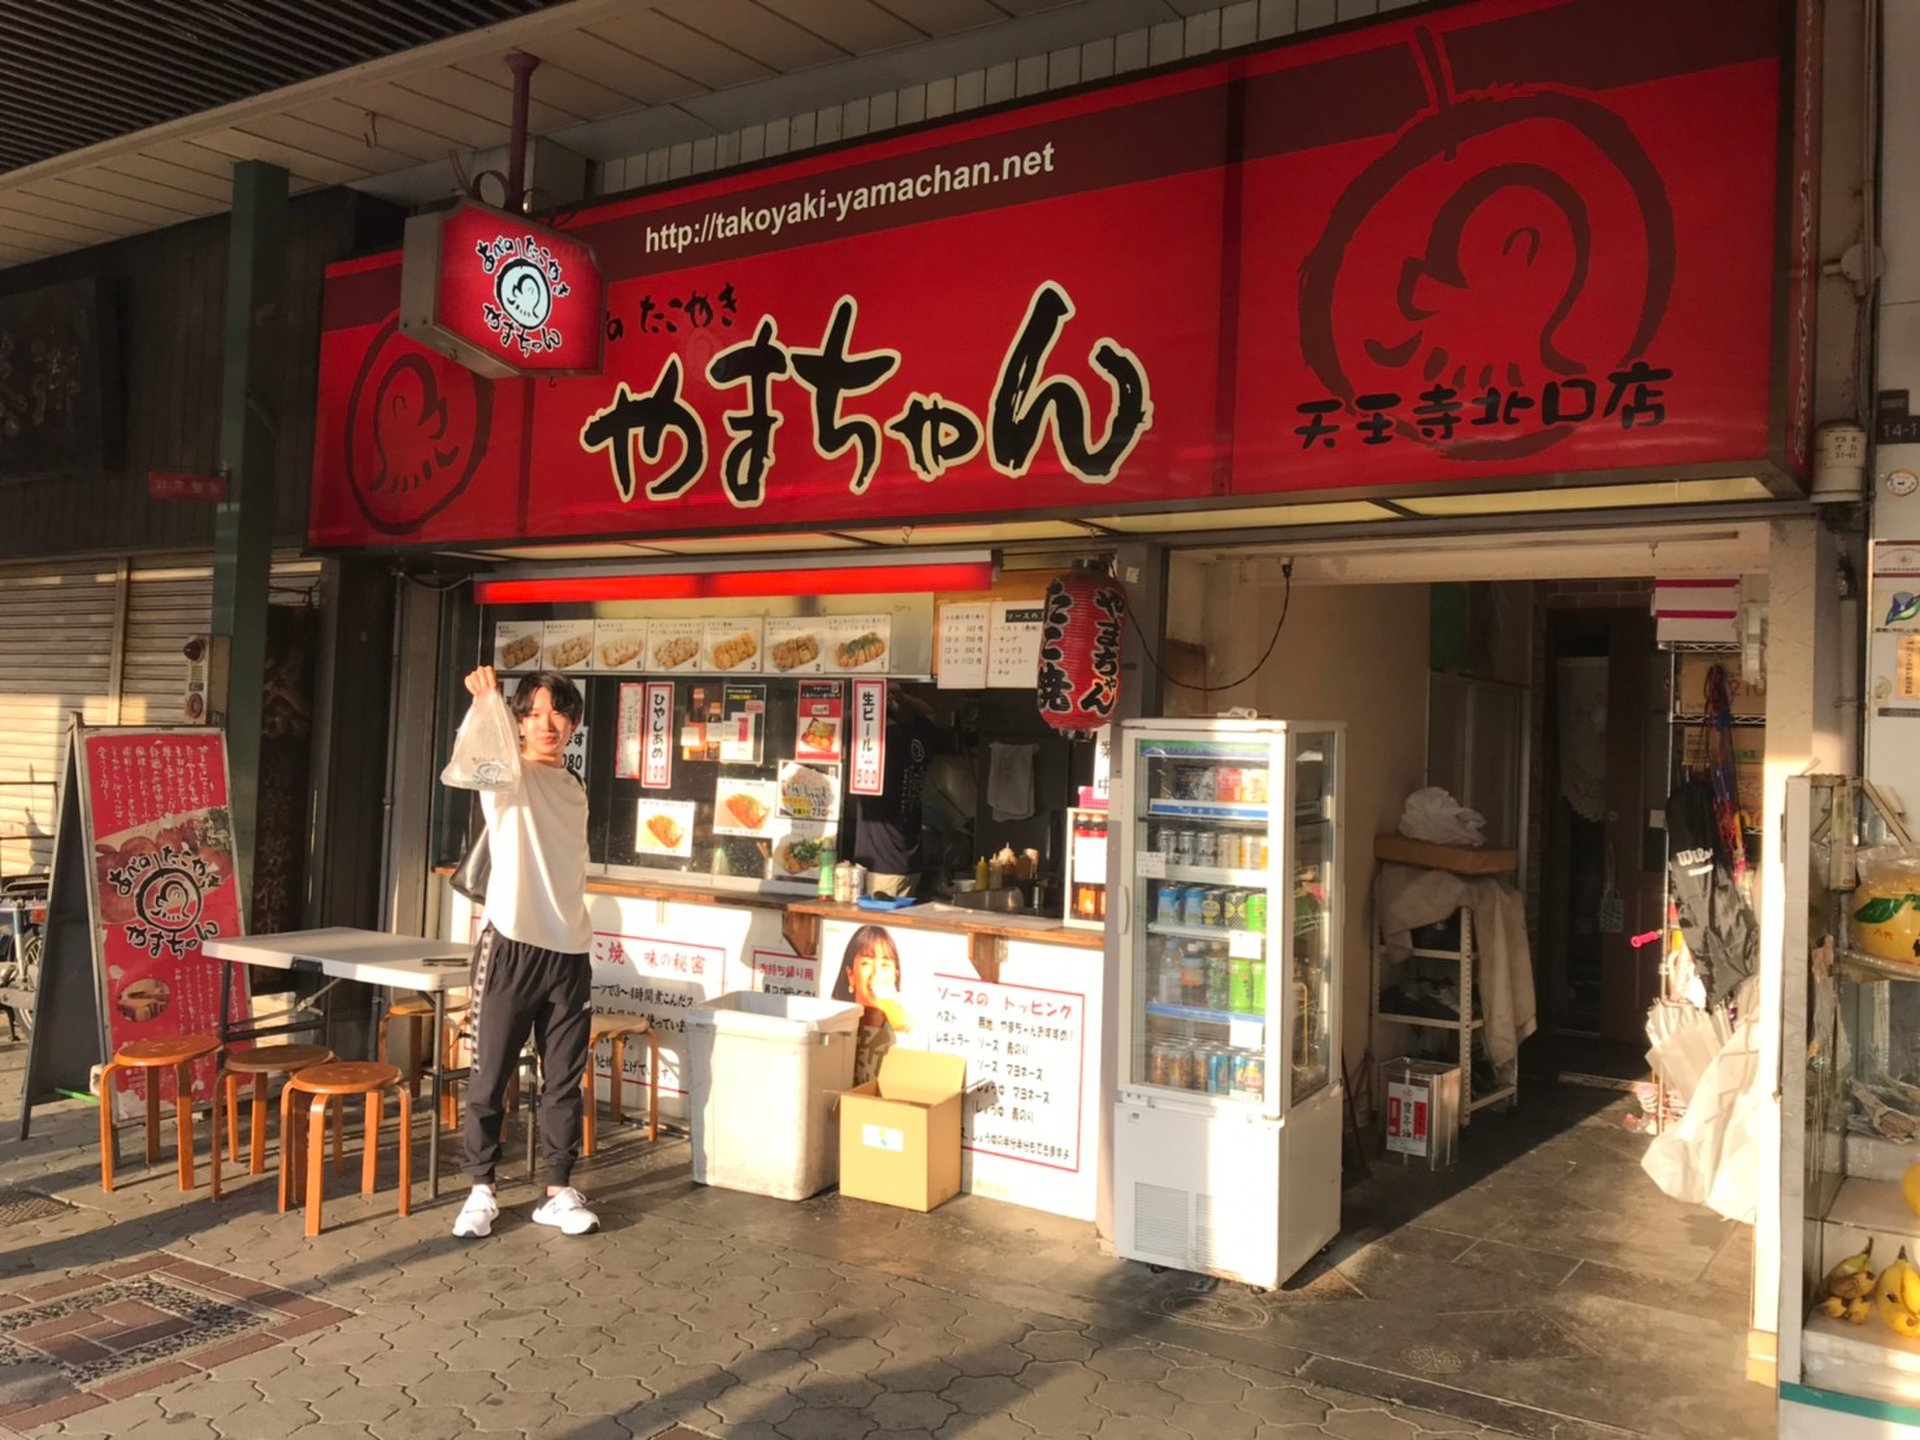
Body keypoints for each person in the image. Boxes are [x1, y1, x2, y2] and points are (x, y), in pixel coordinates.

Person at [449, 665, 599, 1239]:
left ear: (575, 722)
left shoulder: (574, 784)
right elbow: (471, 760)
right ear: (517, 723)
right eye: (532, 713)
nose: (546, 723)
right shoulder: (505, 776)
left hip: (570, 952)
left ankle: (558, 1191)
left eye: (558, 712)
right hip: (511, 944)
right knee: (490, 1076)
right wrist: (487, 701)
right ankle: (481, 1189)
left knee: (564, 1081)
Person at [853, 689, 934, 898]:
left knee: (879, 928)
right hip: (910, 860)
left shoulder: (875, 744)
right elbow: (929, 713)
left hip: (882, 865)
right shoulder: (920, 737)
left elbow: (838, 721)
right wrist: (904, 697)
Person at [832, 923, 908, 1086]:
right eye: (866, 963)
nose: (876, 974)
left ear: (895, 976)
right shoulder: (835, 1029)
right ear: (850, 974)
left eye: (885, 964)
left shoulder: (905, 1028)